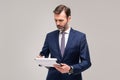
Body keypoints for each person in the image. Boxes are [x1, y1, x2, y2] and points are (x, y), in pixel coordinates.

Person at [37, 4, 91, 80]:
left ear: (69, 18)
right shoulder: (49, 36)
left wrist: (70, 69)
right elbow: (43, 55)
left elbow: (87, 62)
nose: (57, 23)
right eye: (55, 20)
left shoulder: (80, 37)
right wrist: (40, 59)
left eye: (60, 20)